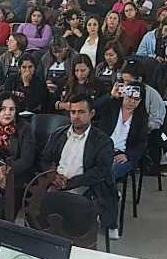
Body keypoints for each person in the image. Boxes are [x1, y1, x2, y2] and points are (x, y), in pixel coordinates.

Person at [37, 94, 118, 235]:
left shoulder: (103, 141)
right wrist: (52, 175)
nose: (76, 116)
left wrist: (70, 183)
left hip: (85, 187)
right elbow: (44, 159)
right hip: (55, 183)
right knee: (37, 209)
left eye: (81, 112)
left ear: (91, 113)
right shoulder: (58, 134)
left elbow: (100, 171)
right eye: (73, 112)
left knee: (69, 210)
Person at [94, 70, 151, 187]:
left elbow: (142, 143)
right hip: (103, 149)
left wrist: (128, 155)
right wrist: (110, 96)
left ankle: (105, 198)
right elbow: (94, 111)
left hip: (122, 154)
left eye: (136, 99)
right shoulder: (111, 106)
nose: (132, 101)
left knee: (107, 173)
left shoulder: (141, 118)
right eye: (129, 97)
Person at [0, 90, 38, 185]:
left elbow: (26, 160)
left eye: (12, 109)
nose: (8, 113)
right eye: (3, 109)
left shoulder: (25, 129)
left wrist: (5, 171)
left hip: (15, 175)